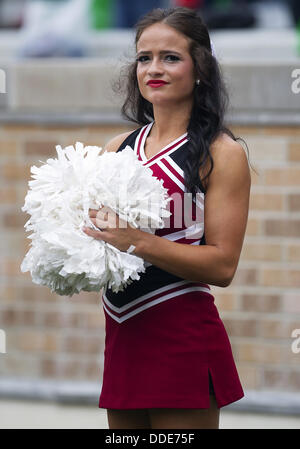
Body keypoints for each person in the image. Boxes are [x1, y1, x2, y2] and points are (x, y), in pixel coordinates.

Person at [83, 6, 251, 429]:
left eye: (171, 57)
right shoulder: (117, 147)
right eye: (144, 58)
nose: (154, 69)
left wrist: (137, 240)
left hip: (181, 335)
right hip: (123, 331)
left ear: (201, 70)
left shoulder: (221, 153)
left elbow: (223, 265)